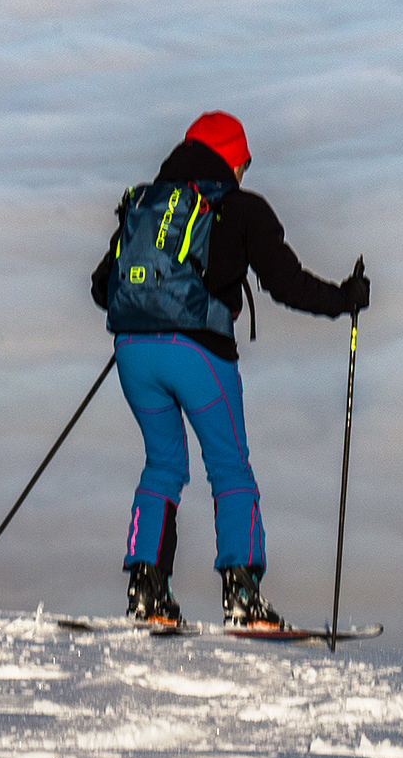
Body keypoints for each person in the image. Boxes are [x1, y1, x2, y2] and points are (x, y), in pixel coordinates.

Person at [89, 112, 369, 628]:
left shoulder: (145, 205)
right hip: (199, 355)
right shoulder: (239, 208)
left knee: (163, 466)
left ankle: (146, 593)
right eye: (243, 160)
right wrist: (344, 300)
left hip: (132, 351)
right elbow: (286, 284)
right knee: (230, 468)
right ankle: (242, 596)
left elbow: (100, 285)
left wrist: (153, 306)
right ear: (232, 157)